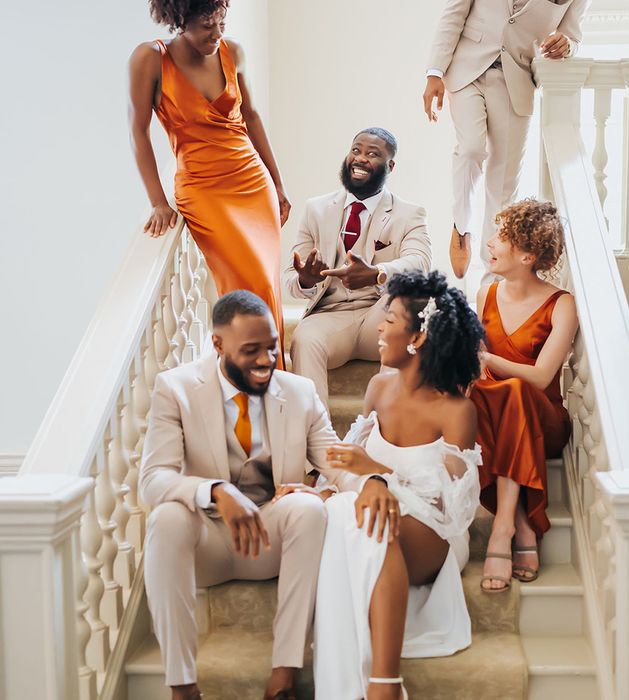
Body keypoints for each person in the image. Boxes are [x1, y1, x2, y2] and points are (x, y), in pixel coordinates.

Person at [139, 290, 376, 700]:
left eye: (270, 347)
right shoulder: (175, 389)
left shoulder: (300, 391)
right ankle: (182, 685)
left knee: (306, 508)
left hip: (271, 540)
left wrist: (372, 484)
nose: (267, 360)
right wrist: (215, 491)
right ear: (218, 345)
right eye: (251, 351)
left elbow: (334, 460)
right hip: (208, 544)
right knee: (166, 519)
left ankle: (284, 675)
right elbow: (153, 479)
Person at [306, 271, 484, 700]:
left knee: (365, 518)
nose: (379, 328)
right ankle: (375, 685)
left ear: (418, 338)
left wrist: (380, 475)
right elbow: (343, 461)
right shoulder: (378, 387)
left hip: (433, 533)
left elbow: (455, 509)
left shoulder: (456, 410)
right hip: (376, 515)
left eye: (389, 319)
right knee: (342, 511)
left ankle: (383, 680)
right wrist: (318, 491)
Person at [129, 0, 289, 366]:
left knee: (266, 283)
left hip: (252, 181)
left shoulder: (233, 51)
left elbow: (251, 116)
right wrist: (158, 201)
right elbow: (138, 132)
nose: (216, 34)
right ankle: (250, 382)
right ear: (179, 20)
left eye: (221, 22)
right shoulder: (150, 59)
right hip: (204, 190)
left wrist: (277, 184)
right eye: (206, 26)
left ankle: (273, 382)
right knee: (243, 285)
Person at [423, 0, 588, 280]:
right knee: (471, 149)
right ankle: (461, 226)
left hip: (517, 81)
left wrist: (567, 45)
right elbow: (454, 13)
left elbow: (572, 34)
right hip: (466, 70)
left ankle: (493, 277)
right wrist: (435, 72)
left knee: (503, 185)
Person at [470, 199, 578, 591]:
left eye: (501, 238)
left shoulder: (561, 303)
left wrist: (486, 357)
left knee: (514, 389)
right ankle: (520, 522)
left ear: (528, 255)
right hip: (495, 419)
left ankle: (501, 531)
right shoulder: (486, 295)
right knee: (483, 395)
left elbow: (541, 376)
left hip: (543, 420)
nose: (490, 243)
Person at [282, 128, 432, 407]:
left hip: (380, 317)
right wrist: (306, 279)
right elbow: (290, 279)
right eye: (356, 150)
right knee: (304, 339)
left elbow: (420, 263)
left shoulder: (409, 213)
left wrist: (377, 273)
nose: (361, 158)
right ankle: (317, 438)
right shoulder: (316, 209)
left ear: (390, 166)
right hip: (331, 316)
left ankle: (385, 428)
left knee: (410, 298)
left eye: (372, 154)